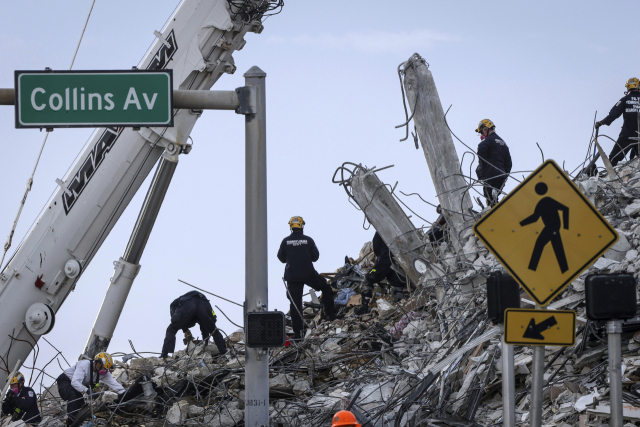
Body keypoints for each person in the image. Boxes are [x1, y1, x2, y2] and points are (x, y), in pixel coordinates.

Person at [277, 216, 337, 340]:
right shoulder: (308, 240)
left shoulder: (285, 241)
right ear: (302, 226)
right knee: (326, 288)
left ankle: (298, 334)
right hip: (308, 273)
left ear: (291, 227)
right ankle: (331, 316)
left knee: (295, 304)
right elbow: (315, 257)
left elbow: (281, 258)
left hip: (292, 276)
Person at [56, 353, 124, 426]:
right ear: (98, 363)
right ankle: (71, 423)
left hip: (78, 385)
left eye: (106, 369)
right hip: (66, 381)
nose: (104, 371)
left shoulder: (104, 373)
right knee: (73, 397)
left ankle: (79, 422)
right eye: (104, 368)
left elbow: (115, 385)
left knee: (81, 403)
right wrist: (88, 391)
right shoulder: (84, 365)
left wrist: (124, 394)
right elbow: (75, 382)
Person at [160, 291, 227, 359]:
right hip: (204, 304)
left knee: (172, 329)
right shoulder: (204, 302)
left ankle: (164, 355)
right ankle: (223, 352)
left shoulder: (177, 302)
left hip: (188, 304)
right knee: (214, 330)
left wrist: (183, 328)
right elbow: (211, 320)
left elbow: (175, 315)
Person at [354, 232, 408, 315]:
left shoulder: (382, 230)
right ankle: (401, 308)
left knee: (368, 278)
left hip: (385, 259)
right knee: (397, 284)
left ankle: (364, 308)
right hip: (396, 262)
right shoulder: (398, 230)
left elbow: (377, 246)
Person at [596, 77, 640, 166]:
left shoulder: (624, 100)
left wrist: (601, 122)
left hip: (627, 134)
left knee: (614, 158)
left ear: (628, 87)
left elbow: (613, 114)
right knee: (636, 160)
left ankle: (611, 177)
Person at [475, 119, 512, 207]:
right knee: (494, 198)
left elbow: (481, 149)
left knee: (489, 198)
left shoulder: (488, 140)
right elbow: (509, 163)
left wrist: (485, 165)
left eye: (481, 132)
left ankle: (493, 215)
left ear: (485, 129)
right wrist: (504, 174)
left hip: (491, 175)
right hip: (501, 176)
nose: (482, 135)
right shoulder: (503, 143)